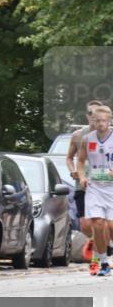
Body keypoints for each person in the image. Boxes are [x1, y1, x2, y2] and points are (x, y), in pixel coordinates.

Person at [67, 100, 103, 272]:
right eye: (91, 114)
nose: (94, 118)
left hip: (103, 186)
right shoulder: (78, 135)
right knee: (84, 225)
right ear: (87, 116)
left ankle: (97, 258)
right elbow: (69, 158)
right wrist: (73, 170)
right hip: (82, 185)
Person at [77, 105, 113, 277]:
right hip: (95, 187)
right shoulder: (87, 139)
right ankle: (103, 262)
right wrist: (82, 177)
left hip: (112, 188)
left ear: (109, 121)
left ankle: (106, 253)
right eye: (97, 121)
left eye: (104, 121)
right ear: (93, 120)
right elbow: (81, 162)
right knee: (97, 225)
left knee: (111, 226)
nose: (101, 124)